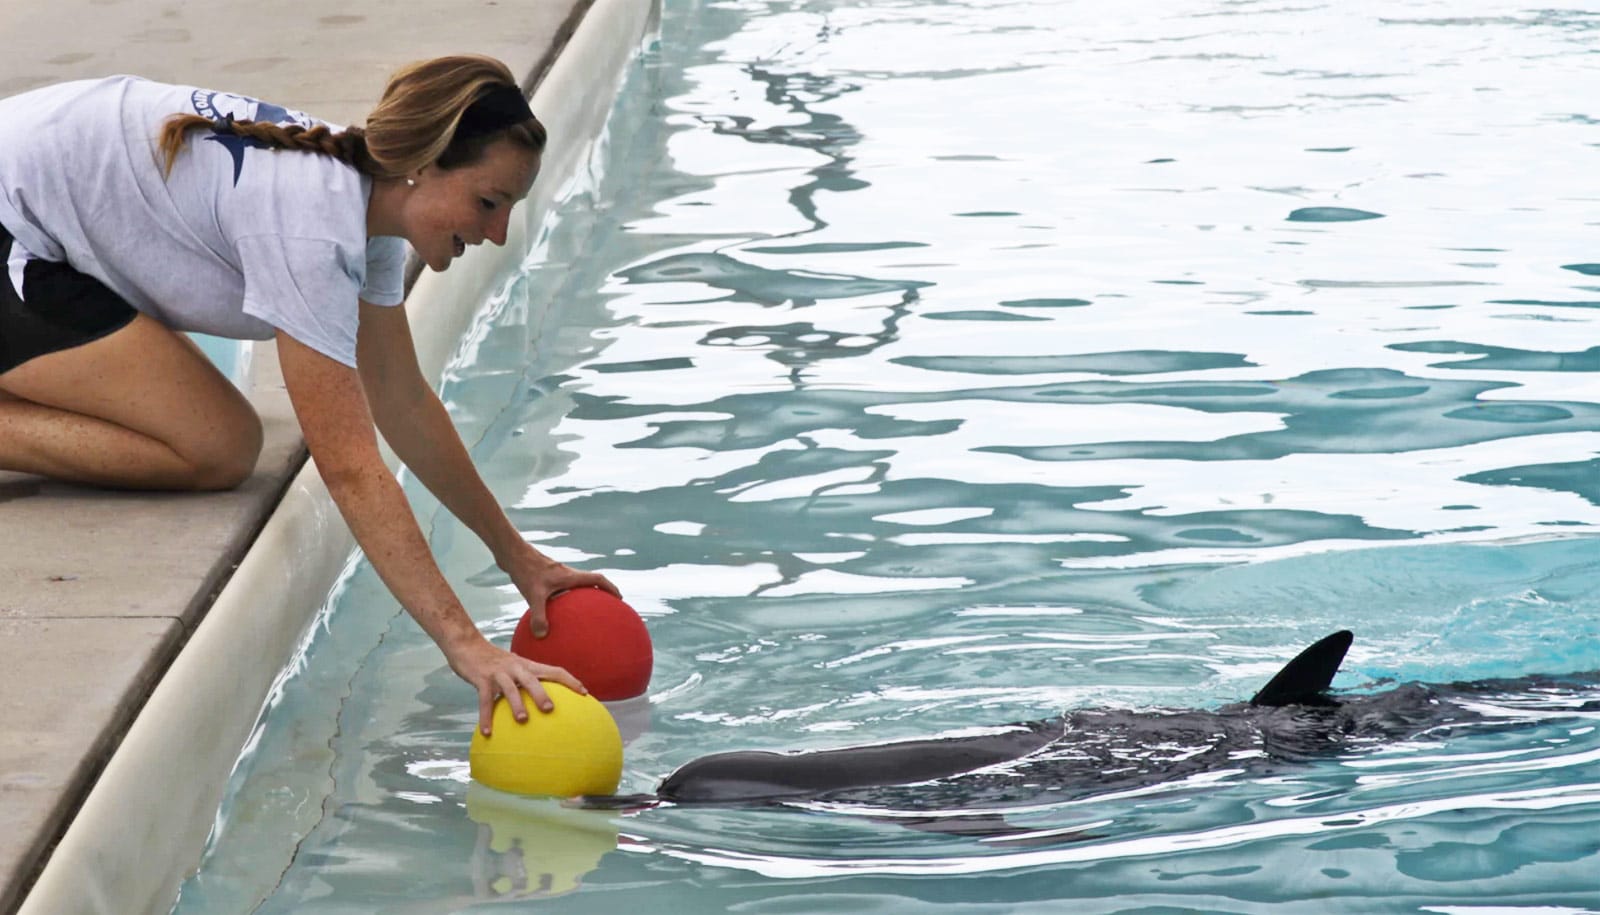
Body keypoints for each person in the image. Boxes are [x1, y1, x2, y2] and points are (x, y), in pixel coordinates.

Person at [0, 55, 616, 735]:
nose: (496, 232)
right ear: (424, 164)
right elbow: (350, 465)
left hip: (32, 214)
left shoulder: (367, 205)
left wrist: (517, 556)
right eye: (488, 202)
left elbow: (402, 400)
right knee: (214, 445)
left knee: (219, 439)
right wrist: (466, 645)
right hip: (12, 223)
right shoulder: (308, 224)